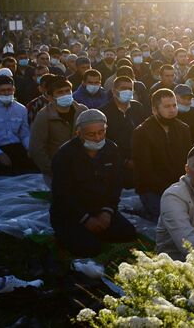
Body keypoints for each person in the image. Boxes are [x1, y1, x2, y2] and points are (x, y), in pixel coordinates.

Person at [50, 109, 137, 257]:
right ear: (79, 133)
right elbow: (62, 195)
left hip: (99, 208)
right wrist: (86, 219)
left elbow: (115, 185)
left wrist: (107, 212)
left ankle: (93, 232)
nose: (97, 138)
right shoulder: (65, 155)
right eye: (91, 134)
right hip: (72, 214)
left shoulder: (111, 149)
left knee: (128, 233)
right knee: (90, 249)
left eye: (101, 132)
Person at [131, 88, 193, 221]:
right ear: (154, 109)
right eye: (166, 106)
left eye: (174, 105)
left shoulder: (183, 129)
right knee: (171, 219)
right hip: (153, 189)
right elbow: (145, 172)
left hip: (180, 186)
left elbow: (188, 161)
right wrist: (172, 192)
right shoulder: (142, 133)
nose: (172, 110)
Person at [29, 78, 88, 184]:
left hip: (82, 166)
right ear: (51, 97)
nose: (65, 94)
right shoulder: (44, 116)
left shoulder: (82, 111)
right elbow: (36, 149)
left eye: (67, 91)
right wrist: (52, 169)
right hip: (57, 169)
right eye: (60, 92)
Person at [0, 75, 36, 175]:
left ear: (14, 90)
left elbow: (25, 134)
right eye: (3, 90)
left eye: (9, 90)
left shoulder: (21, 109)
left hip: (17, 148)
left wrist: (30, 150)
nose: (6, 93)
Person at [101, 76, 146, 189]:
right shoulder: (104, 112)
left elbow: (143, 134)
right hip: (114, 164)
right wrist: (124, 161)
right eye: (123, 88)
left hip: (138, 162)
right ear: (114, 90)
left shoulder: (138, 107)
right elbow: (104, 141)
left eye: (130, 88)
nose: (127, 91)